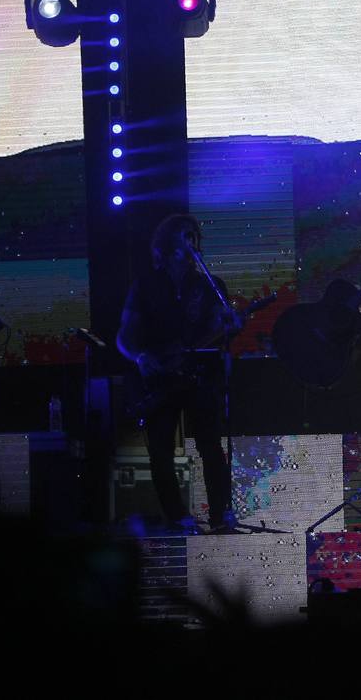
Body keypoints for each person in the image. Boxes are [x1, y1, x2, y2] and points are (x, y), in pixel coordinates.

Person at [117, 214, 239, 532]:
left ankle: (220, 515)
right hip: (159, 377)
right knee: (160, 449)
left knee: (210, 445)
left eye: (195, 235)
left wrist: (229, 325)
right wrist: (140, 356)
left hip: (199, 374)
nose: (192, 239)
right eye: (186, 235)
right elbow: (124, 335)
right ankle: (177, 516)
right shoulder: (146, 285)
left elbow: (218, 329)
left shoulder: (209, 285)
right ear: (169, 242)